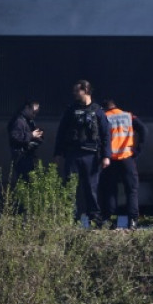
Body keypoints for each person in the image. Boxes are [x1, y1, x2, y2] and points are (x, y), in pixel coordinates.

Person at [54, 80, 112, 227]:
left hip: (92, 155)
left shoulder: (98, 111)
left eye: (77, 91)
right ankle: (69, 219)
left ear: (85, 90)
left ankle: (95, 219)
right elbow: (61, 133)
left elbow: (106, 135)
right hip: (73, 153)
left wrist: (106, 156)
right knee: (70, 187)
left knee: (91, 188)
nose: (74, 93)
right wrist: (58, 153)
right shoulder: (71, 110)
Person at [98, 99, 147, 230]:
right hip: (127, 158)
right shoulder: (128, 116)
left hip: (110, 159)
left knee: (110, 191)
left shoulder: (105, 117)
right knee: (131, 190)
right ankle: (132, 221)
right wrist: (137, 150)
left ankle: (108, 220)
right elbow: (143, 130)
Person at [7, 100, 44, 182]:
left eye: (36, 113)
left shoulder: (29, 121)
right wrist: (31, 135)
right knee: (25, 183)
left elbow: (34, 136)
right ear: (27, 108)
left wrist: (38, 136)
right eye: (33, 112)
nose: (34, 115)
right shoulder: (18, 121)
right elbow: (15, 137)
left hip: (29, 158)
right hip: (22, 158)